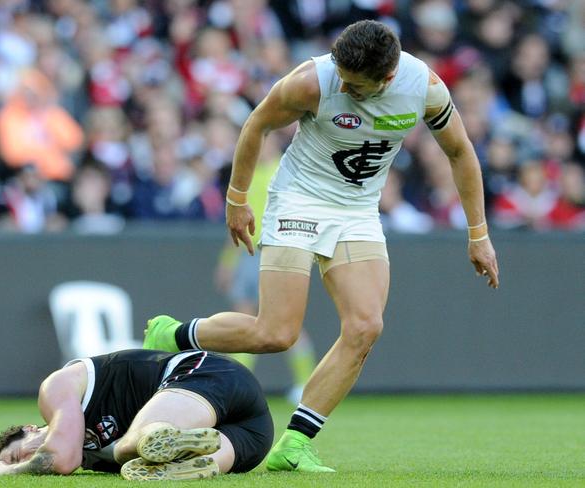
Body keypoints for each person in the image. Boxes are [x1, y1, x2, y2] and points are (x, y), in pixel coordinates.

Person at [143, 20, 499, 472]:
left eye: (356, 86)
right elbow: (256, 125)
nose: (344, 88)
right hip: (299, 201)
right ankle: (172, 334)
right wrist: (236, 199)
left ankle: (294, 445)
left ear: (387, 78)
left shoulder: (424, 88)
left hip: (357, 212)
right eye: (342, 79)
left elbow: (460, 152)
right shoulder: (312, 81)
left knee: (366, 327)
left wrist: (478, 234)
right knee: (275, 334)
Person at [0, 349, 273, 480]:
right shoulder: (92, 460)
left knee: (126, 449)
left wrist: (6, 470)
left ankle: (160, 436)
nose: (29, 462)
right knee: (142, 461)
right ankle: (180, 467)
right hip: (252, 434)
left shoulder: (56, 389)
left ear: (31, 429)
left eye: (19, 455)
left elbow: (60, 458)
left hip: (208, 374)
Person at [213, 133, 317, 404]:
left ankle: (306, 383)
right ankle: (239, 384)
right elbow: (234, 220)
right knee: (244, 317)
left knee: (284, 321)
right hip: (247, 253)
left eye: (265, 141)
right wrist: (227, 263)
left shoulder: (286, 170)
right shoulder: (245, 176)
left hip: (274, 251)